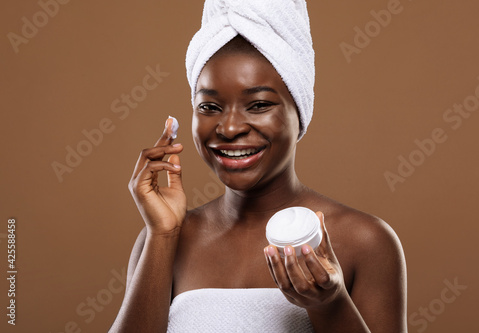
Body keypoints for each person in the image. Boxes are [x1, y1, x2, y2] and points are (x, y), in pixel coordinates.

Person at [109, 1, 407, 332]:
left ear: (299, 111)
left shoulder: (364, 241)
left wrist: (329, 304)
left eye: (259, 104)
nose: (230, 127)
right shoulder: (166, 239)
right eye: (209, 106)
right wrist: (163, 234)